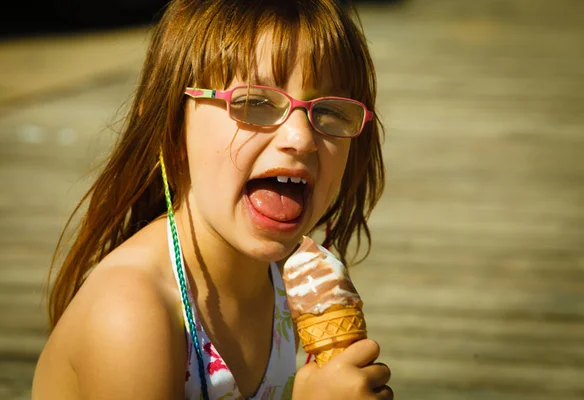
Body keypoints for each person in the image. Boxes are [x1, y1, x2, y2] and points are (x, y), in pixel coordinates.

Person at [32, 0, 391, 398]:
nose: (301, 138)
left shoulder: (292, 286)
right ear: (170, 125)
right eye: (255, 102)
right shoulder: (130, 314)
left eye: (328, 111)